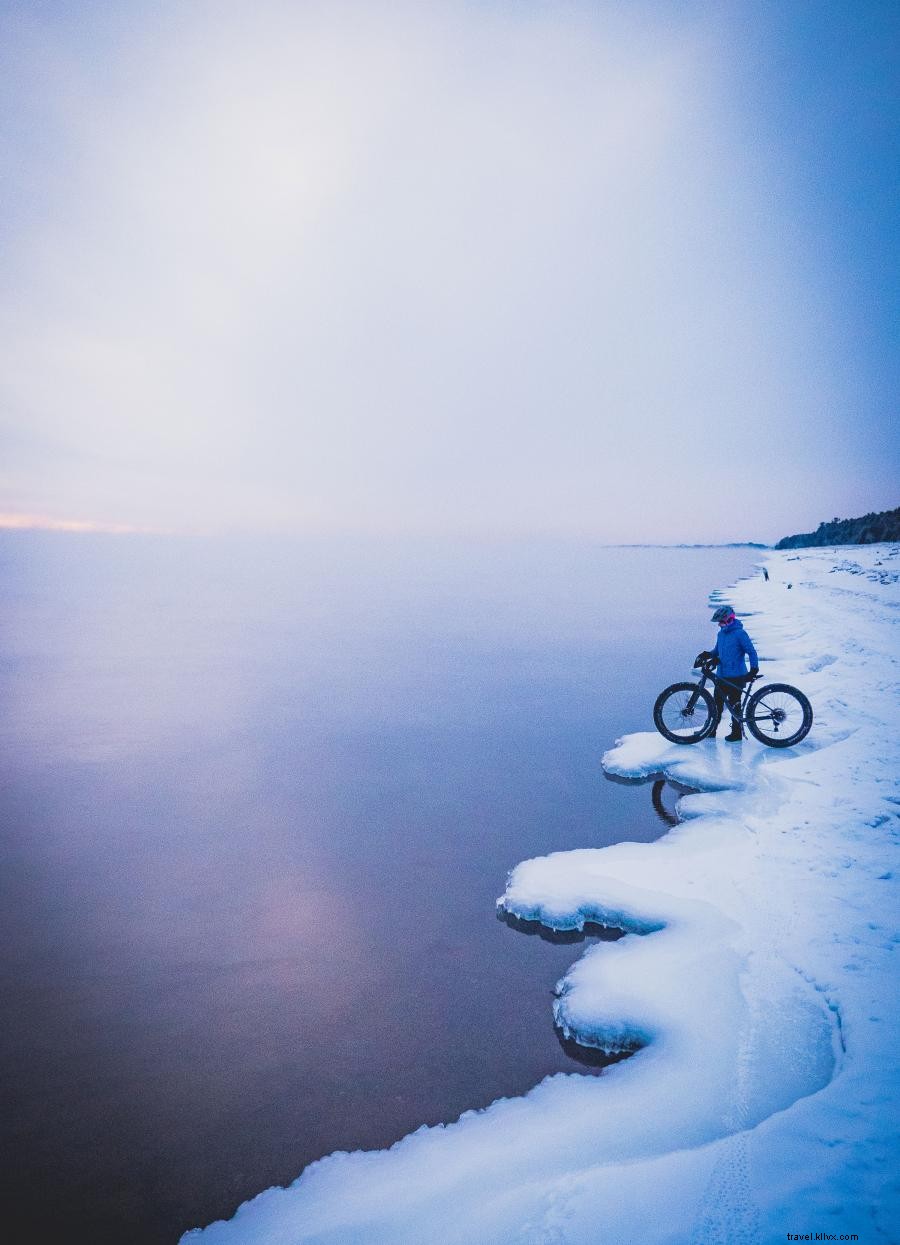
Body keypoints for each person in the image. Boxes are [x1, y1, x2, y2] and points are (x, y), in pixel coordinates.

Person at [695, 605, 759, 741]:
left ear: (730, 619)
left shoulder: (740, 634)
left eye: (722, 622)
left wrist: (754, 669)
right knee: (715, 705)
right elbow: (717, 651)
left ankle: (736, 734)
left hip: (737, 676)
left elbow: (751, 651)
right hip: (721, 676)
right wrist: (707, 654)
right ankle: (711, 731)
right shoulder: (721, 634)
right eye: (719, 623)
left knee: (735, 705)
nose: (719, 625)